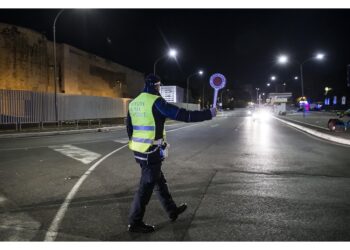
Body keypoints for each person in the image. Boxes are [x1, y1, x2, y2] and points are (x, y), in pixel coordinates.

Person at [126, 73, 216, 233]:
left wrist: (137, 144)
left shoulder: (134, 103)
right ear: (155, 86)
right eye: (159, 86)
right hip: (150, 152)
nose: (159, 88)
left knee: (159, 182)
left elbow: (129, 127)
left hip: (139, 151)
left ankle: (172, 210)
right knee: (145, 189)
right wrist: (208, 114)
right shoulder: (156, 101)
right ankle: (135, 222)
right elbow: (183, 115)